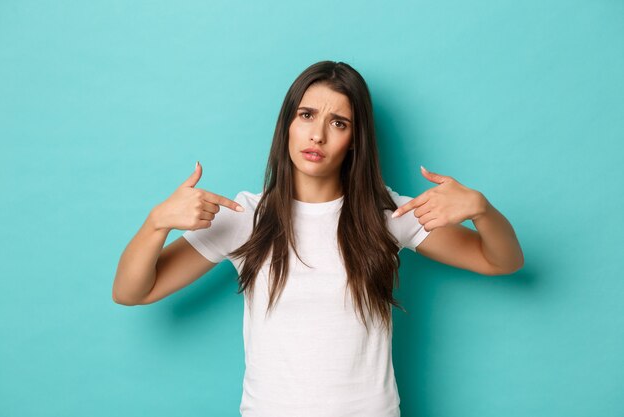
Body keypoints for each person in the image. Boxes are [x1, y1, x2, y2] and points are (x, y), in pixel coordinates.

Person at [112, 60, 524, 417]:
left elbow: (501, 260)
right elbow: (132, 291)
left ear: (354, 140)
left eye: (338, 123)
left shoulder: (386, 216)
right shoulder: (245, 218)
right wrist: (156, 223)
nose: (318, 135)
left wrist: (483, 211)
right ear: (287, 124)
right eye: (306, 115)